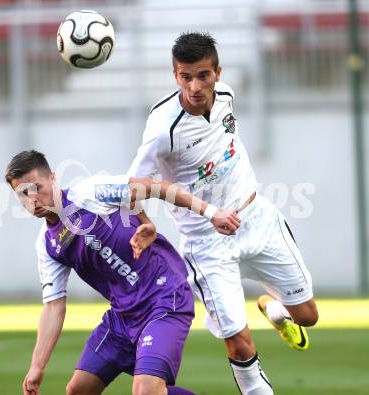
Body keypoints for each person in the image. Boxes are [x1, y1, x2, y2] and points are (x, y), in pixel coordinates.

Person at [127, 32, 319, 395]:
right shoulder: (161, 129)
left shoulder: (228, 95)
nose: (195, 86)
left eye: (203, 75)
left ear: (218, 72)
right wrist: (146, 222)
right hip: (207, 243)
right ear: (175, 75)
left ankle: (275, 309)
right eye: (186, 77)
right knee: (238, 342)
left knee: (308, 316)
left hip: (257, 218)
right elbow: (134, 185)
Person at [5, 150, 241, 395]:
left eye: (36, 187)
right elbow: (54, 307)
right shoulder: (46, 244)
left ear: (53, 178)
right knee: (78, 390)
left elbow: (155, 187)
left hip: (164, 296)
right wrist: (37, 366)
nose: (32, 199)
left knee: (146, 391)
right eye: (22, 193)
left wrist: (211, 213)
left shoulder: (89, 193)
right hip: (123, 315)